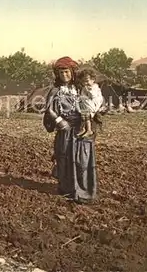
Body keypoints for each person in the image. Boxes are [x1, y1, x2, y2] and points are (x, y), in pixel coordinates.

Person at [43, 56, 98, 204]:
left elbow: (93, 101)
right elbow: (49, 110)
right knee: (64, 158)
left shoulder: (81, 88)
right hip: (65, 130)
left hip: (81, 128)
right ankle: (67, 189)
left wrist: (89, 118)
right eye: (61, 73)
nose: (64, 75)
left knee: (82, 160)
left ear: (72, 72)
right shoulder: (55, 90)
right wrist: (60, 121)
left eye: (66, 72)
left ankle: (84, 191)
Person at [76, 68, 104, 138]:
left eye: (87, 81)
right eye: (83, 81)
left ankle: (89, 130)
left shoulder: (94, 87)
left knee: (87, 115)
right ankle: (83, 128)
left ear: (93, 80)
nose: (85, 83)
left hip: (93, 103)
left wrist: (88, 91)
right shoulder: (85, 87)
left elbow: (93, 96)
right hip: (86, 104)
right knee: (83, 116)